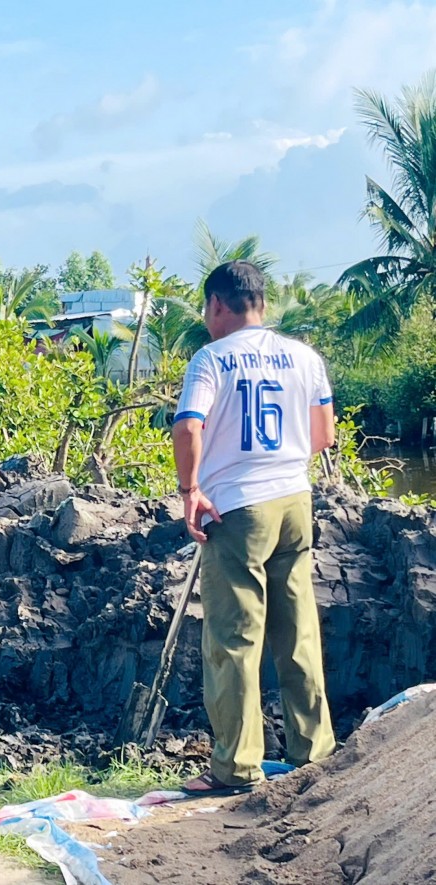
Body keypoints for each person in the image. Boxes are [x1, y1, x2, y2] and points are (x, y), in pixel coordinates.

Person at [172, 260, 337, 795]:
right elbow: (324, 435)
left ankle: (237, 767)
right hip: (294, 499)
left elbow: (188, 425)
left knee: (234, 639)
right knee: (298, 632)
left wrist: (190, 490)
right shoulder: (304, 357)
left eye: (206, 308)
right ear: (261, 303)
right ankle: (313, 754)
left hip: (237, 508)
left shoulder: (211, 359)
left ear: (217, 305)